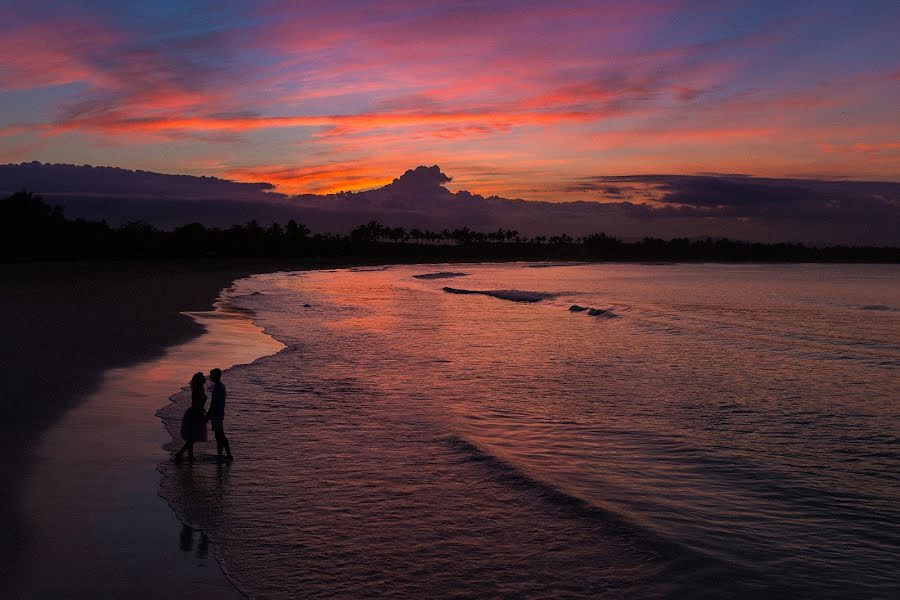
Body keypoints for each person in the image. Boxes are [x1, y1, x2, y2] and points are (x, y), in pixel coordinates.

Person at [175, 372, 208, 462]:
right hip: (195, 414)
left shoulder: (201, 389)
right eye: (202, 378)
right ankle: (181, 453)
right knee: (192, 438)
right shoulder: (196, 391)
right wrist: (202, 413)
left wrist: (204, 412)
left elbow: (200, 404)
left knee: (192, 437)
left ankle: (189, 456)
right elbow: (195, 404)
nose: (204, 379)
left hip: (198, 412)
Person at [207, 368, 233, 460]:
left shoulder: (218, 387)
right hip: (219, 413)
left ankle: (228, 454)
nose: (210, 376)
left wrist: (208, 415)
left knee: (220, 435)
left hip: (217, 414)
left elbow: (213, 403)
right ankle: (220, 455)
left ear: (216, 376)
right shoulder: (220, 386)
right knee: (218, 436)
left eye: (211, 374)